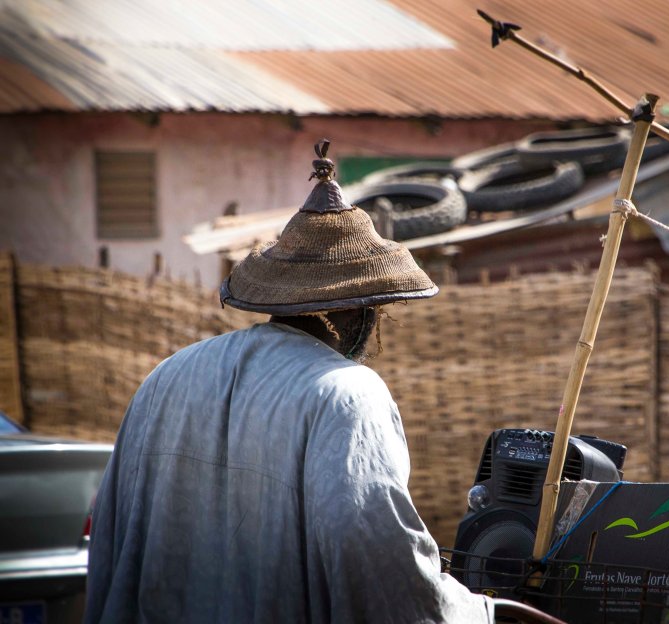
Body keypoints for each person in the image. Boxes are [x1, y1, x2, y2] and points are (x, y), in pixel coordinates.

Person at [84, 140, 493, 623]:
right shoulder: (346, 393)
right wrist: (473, 609)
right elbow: (379, 562)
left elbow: (108, 535)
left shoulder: (166, 376)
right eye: (376, 311)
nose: (376, 324)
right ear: (354, 312)